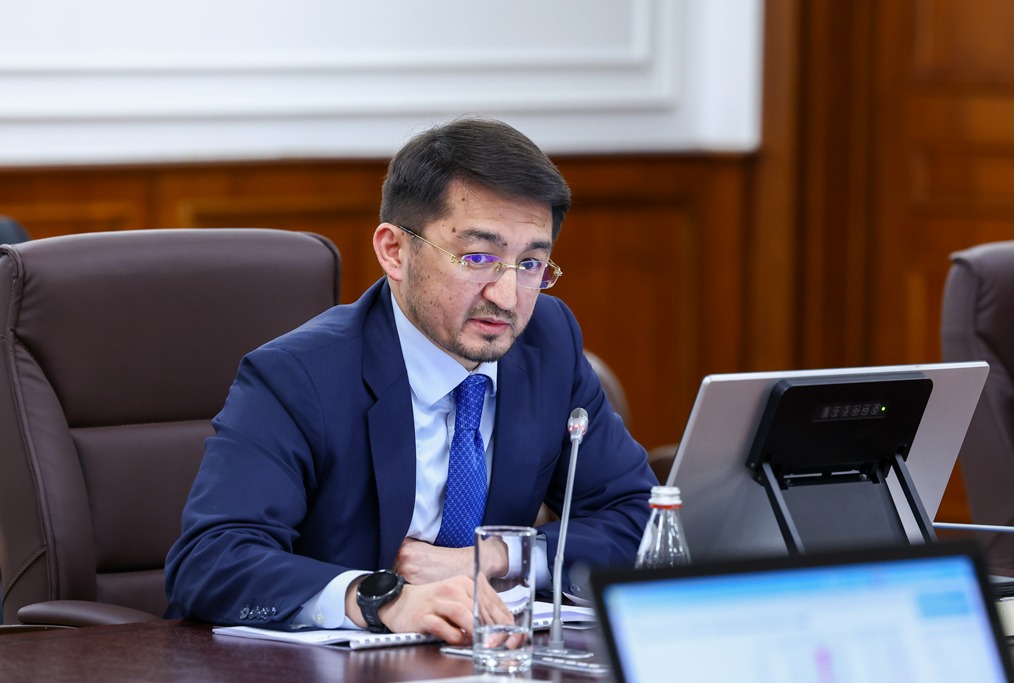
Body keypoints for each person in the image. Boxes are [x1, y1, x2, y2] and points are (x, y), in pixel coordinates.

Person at [164, 117, 658, 644]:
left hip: (488, 657)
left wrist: (494, 556)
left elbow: (641, 519)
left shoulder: (547, 342)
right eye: (478, 258)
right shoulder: (299, 376)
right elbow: (210, 561)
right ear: (394, 251)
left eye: (532, 263)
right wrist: (383, 600)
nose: (507, 297)